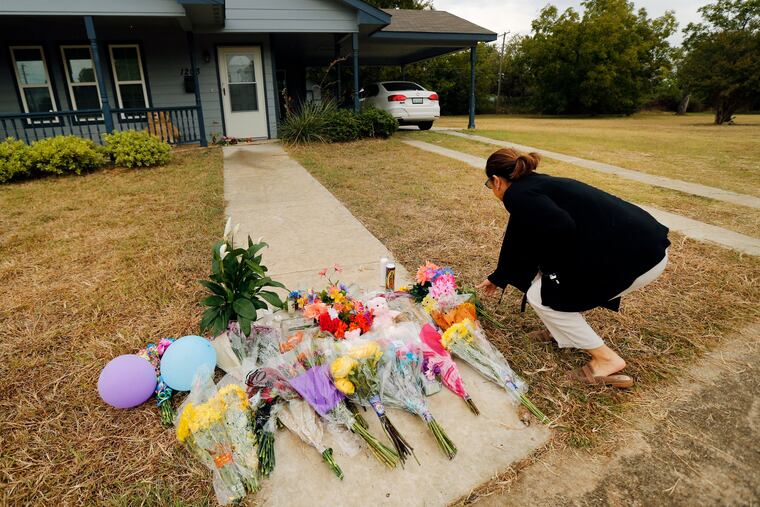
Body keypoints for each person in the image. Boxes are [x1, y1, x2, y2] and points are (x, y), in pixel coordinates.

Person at [476, 148, 670, 388]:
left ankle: (606, 360)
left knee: (542, 295)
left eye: (488, 184)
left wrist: (553, 272)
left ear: (496, 181)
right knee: (543, 285)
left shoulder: (519, 195)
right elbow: (518, 235)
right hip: (645, 246)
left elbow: (560, 228)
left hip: (637, 257)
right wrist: (500, 276)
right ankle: (561, 332)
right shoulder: (532, 186)